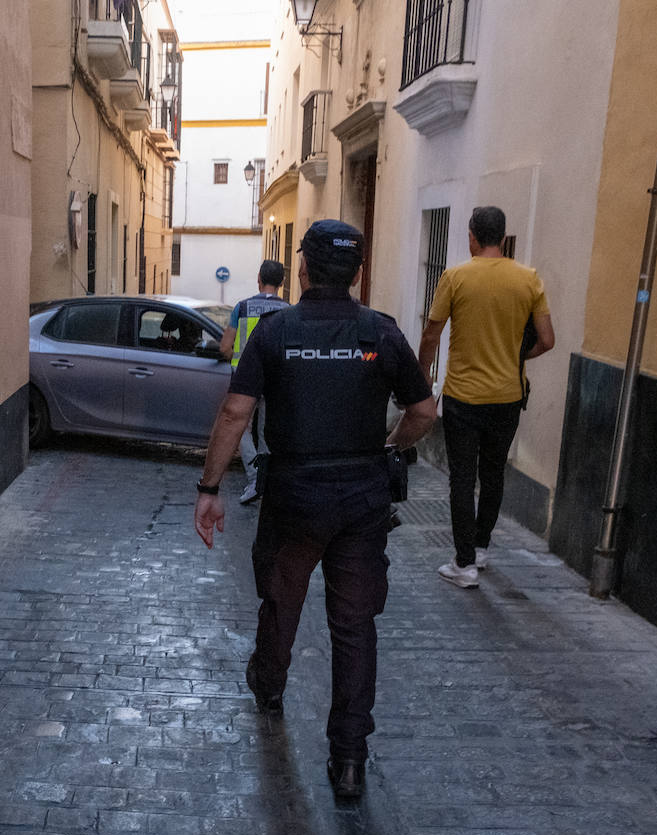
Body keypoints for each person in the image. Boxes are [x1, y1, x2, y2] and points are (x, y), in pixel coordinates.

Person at [194, 220, 436, 799]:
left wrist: (209, 488)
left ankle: (270, 686)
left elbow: (234, 414)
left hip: (295, 495)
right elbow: (424, 412)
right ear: (357, 273)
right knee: (354, 627)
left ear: (302, 269)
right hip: (361, 500)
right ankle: (349, 760)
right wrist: (388, 446)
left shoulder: (277, 334)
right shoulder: (381, 333)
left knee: (282, 599)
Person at [417, 206, 555, 590]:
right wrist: (514, 356)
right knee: (493, 474)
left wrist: (422, 376)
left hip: (464, 395)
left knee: (462, 478)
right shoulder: (529, 280)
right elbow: (547, 340)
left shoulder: (456, 277)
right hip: (508, 396)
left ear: (473, 236)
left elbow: (431, 333)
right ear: (503, 236)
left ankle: (463, 565)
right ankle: (480, 549)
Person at [218, 260, 288, 505]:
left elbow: (226, 347)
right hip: (276, 379)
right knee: (267, 430)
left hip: (245, 380)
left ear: (258, 278)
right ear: (282, 283)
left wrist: (236, 356)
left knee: (242, 428)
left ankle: (254, 478)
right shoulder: (288, 311)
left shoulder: (242, 307)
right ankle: (265, 481)